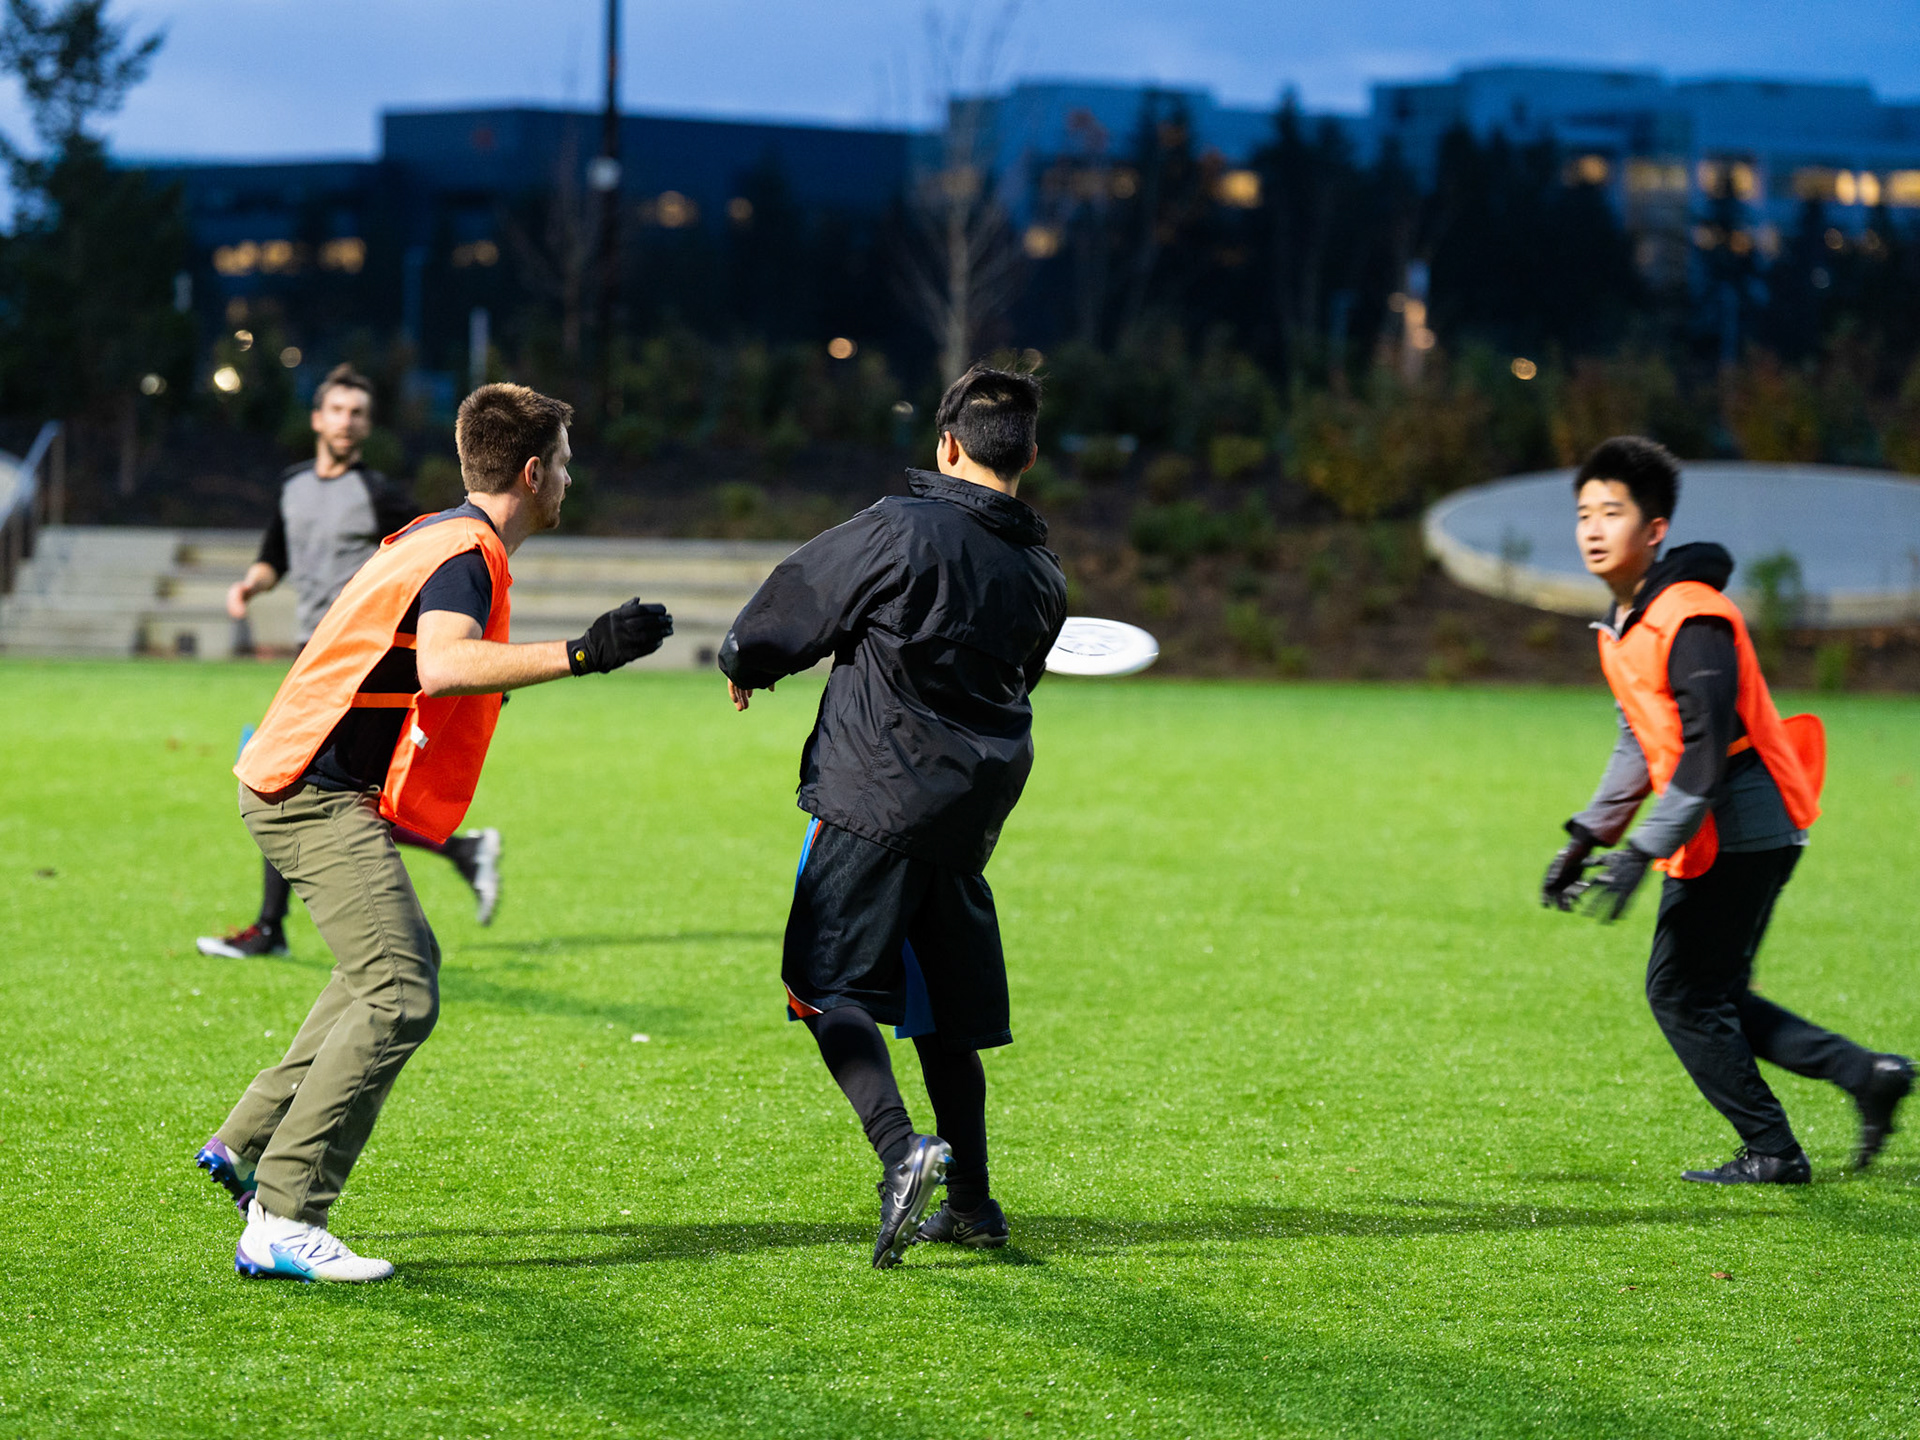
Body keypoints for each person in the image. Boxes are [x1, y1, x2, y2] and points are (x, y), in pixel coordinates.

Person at [193, 383, 673, 1281]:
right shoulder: (465, 553)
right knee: (402, 994)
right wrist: (585, 652)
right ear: (531, 473)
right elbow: (445, 667)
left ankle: (246, 1140)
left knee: (383, 969)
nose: (571, 479)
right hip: (310, 791)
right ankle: (285, 1215)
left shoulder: (439, 534)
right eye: (564, 464)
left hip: (299, 778)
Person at [718, 364, 1066, 1268]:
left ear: (947, 445)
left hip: (872, 798)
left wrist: (746, 661)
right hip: (966, 816)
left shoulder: (899, 527)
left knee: (821, 987)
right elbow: (1022, 677)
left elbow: (793, 606)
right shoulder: (1043, 573)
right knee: (941, 1017)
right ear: (1028, 456)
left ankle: (899, 1150)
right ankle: (974, 1205)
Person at [1541, 435, 1911, 1184]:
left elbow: (1705, 755)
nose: (1592, 528)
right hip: (1725, 827)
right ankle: (1866, 1074)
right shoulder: (1625, 622)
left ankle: (1773, 1150)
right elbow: (1639, 742)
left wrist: (1641, 852)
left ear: (1654, 530)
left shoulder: (1691, 615)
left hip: (1744, 824)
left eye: (1611, 512)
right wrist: (1585, 839)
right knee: (1714, 992)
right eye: (1583, 513)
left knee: (1680, 993)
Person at [196, 365, 502, 960]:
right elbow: (275, 555)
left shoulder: (382, 495)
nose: (346, 421)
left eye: (358, 413)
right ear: (317, 419)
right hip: (311, 657)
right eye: (337, 410)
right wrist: (251, 585)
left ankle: (275, 928)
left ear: (367, 425)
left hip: (364, 664)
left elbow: (436, 557)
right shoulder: (293, 485)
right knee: (298, 781)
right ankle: (461, 853)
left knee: (297, 782)